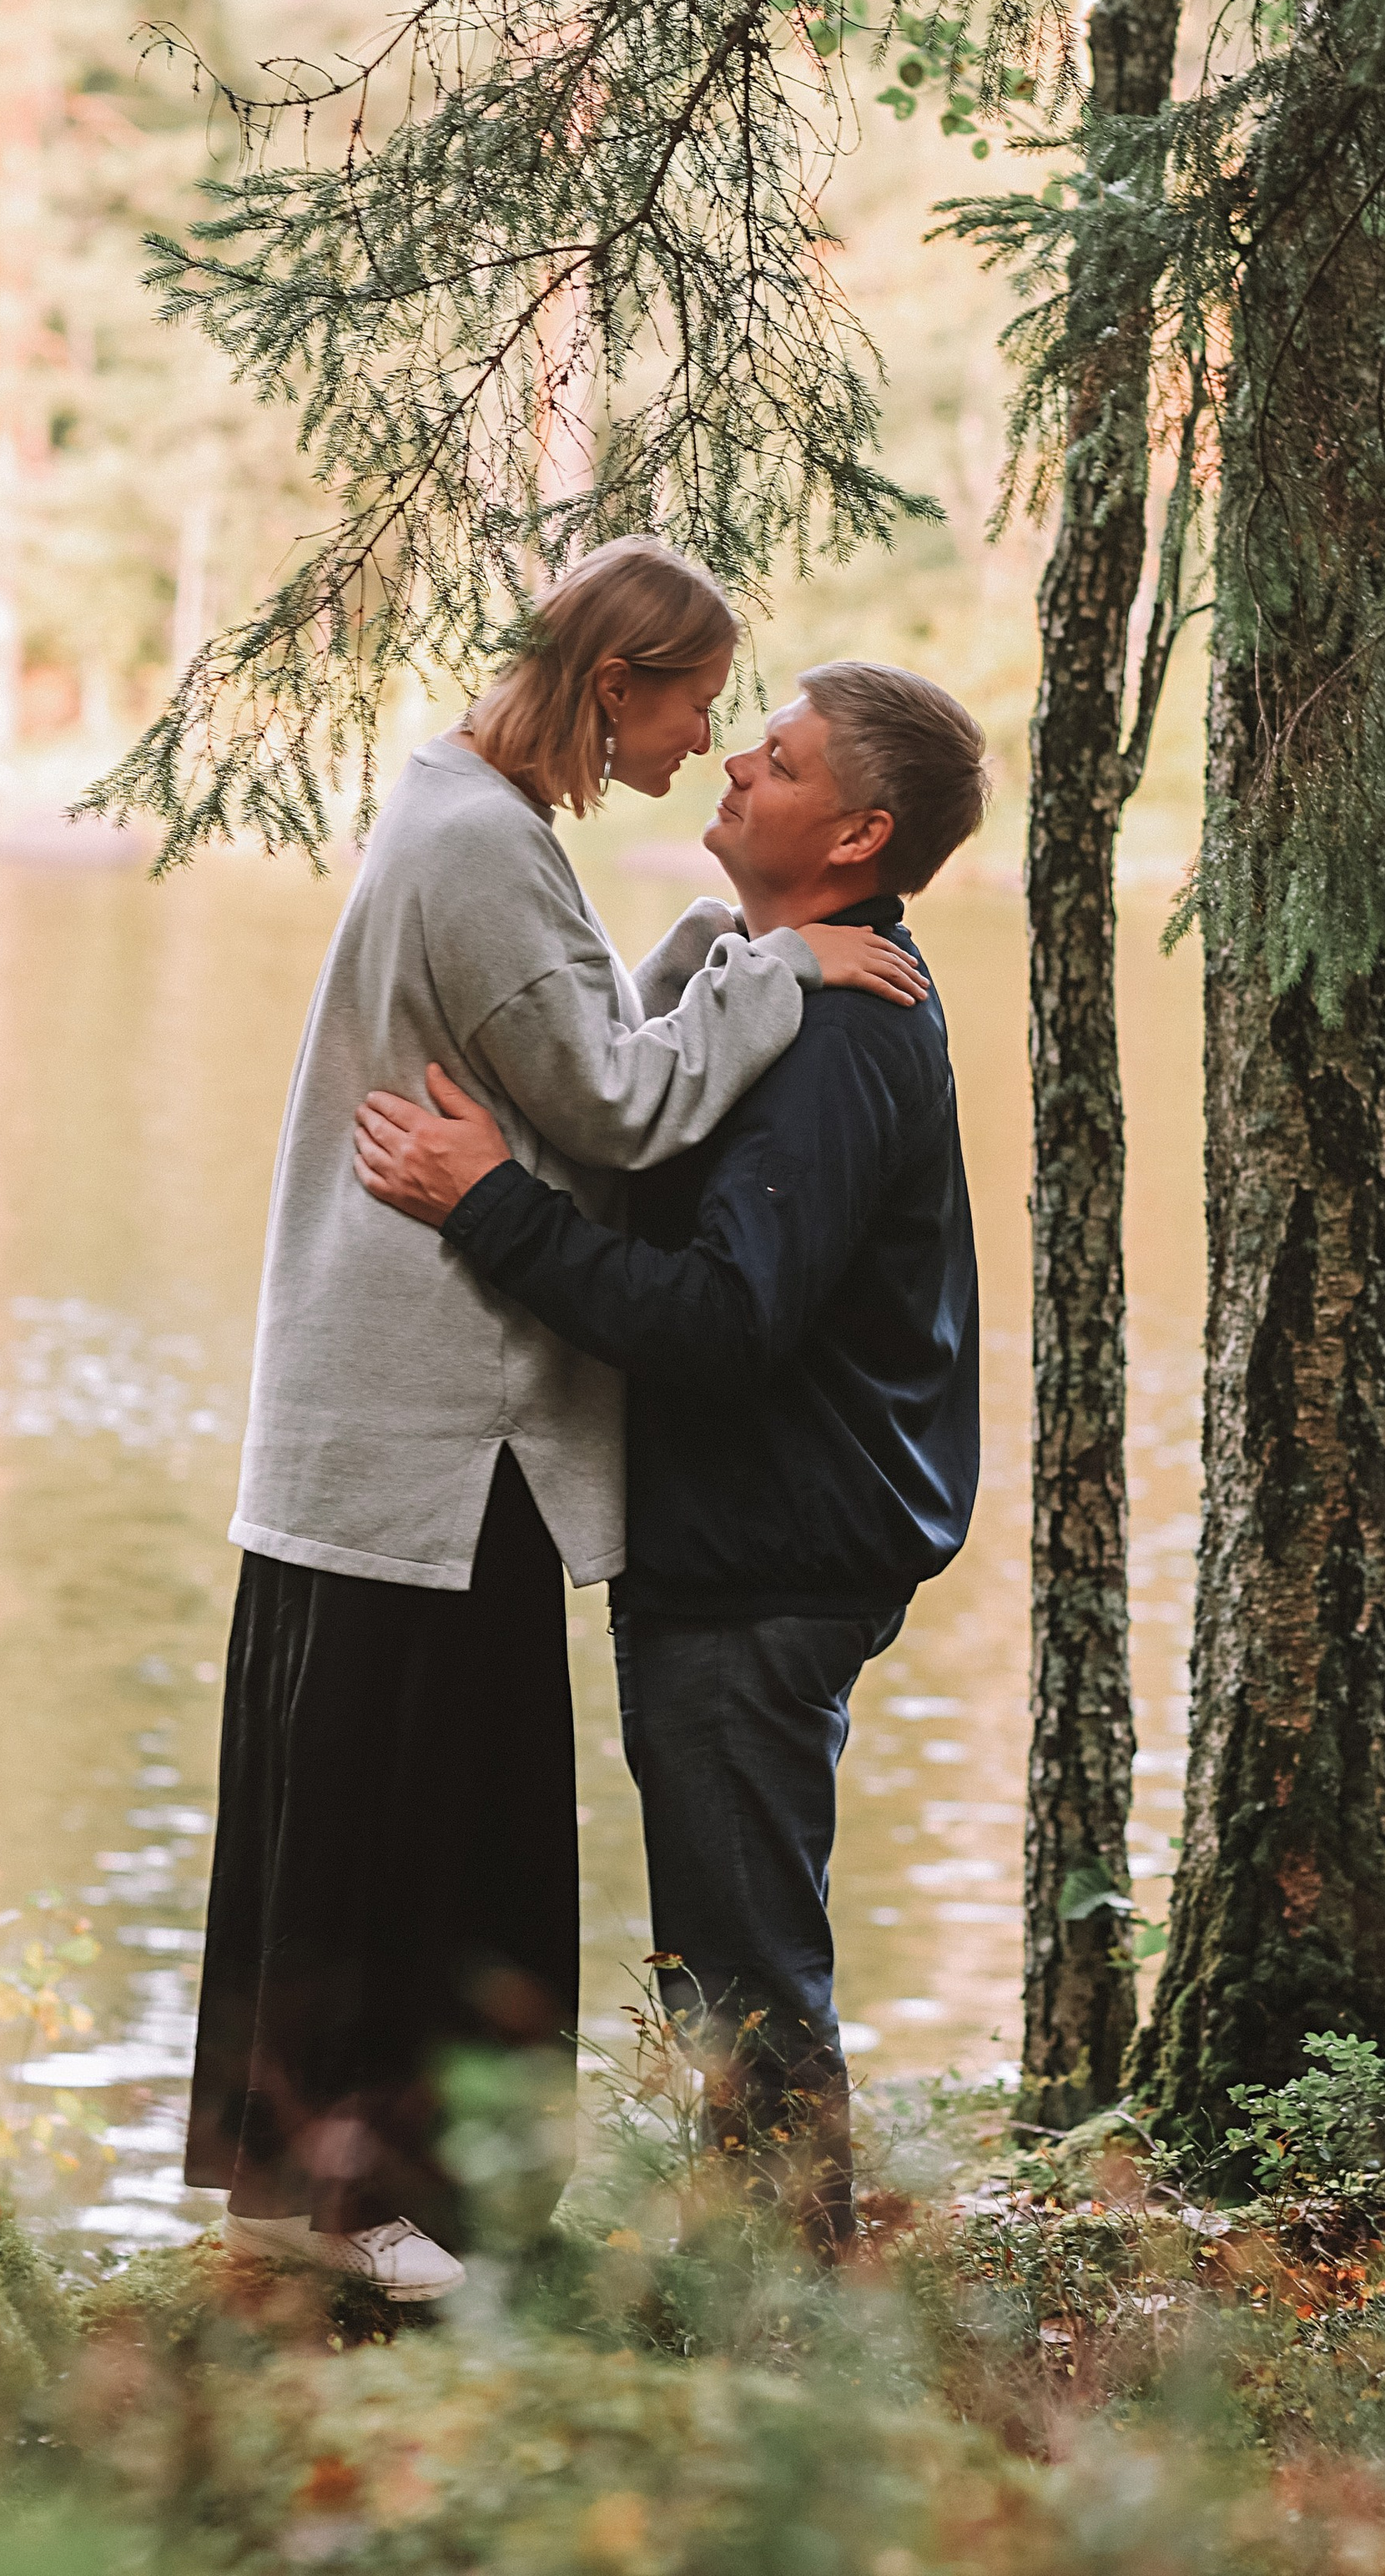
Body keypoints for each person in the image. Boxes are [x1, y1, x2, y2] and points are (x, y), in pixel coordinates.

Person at [185, 544, 927, 2303]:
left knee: (404, 1794)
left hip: (430, 1421)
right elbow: (615, 1105)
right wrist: (779, 969)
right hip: (438, 1422)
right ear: (616, 687)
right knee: (407, 1806)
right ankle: (363, 2204)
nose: (704, 745)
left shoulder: (469, 820)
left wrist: (725, 946)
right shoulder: (475, 847)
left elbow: (567, 1027)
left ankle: (352, 2196)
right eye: (691, 706)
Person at [353, 659, 987, 2249]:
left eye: (773, 764)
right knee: (722, 1946)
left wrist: (486, 1201)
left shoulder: (846, 1038)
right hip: (755, 1540)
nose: (731, 772)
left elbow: (719, 1320)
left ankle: (786, 2317)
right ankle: (752, 2284)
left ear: (859, 834)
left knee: (747, 1954)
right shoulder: (801, 986)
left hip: (772, 1557)